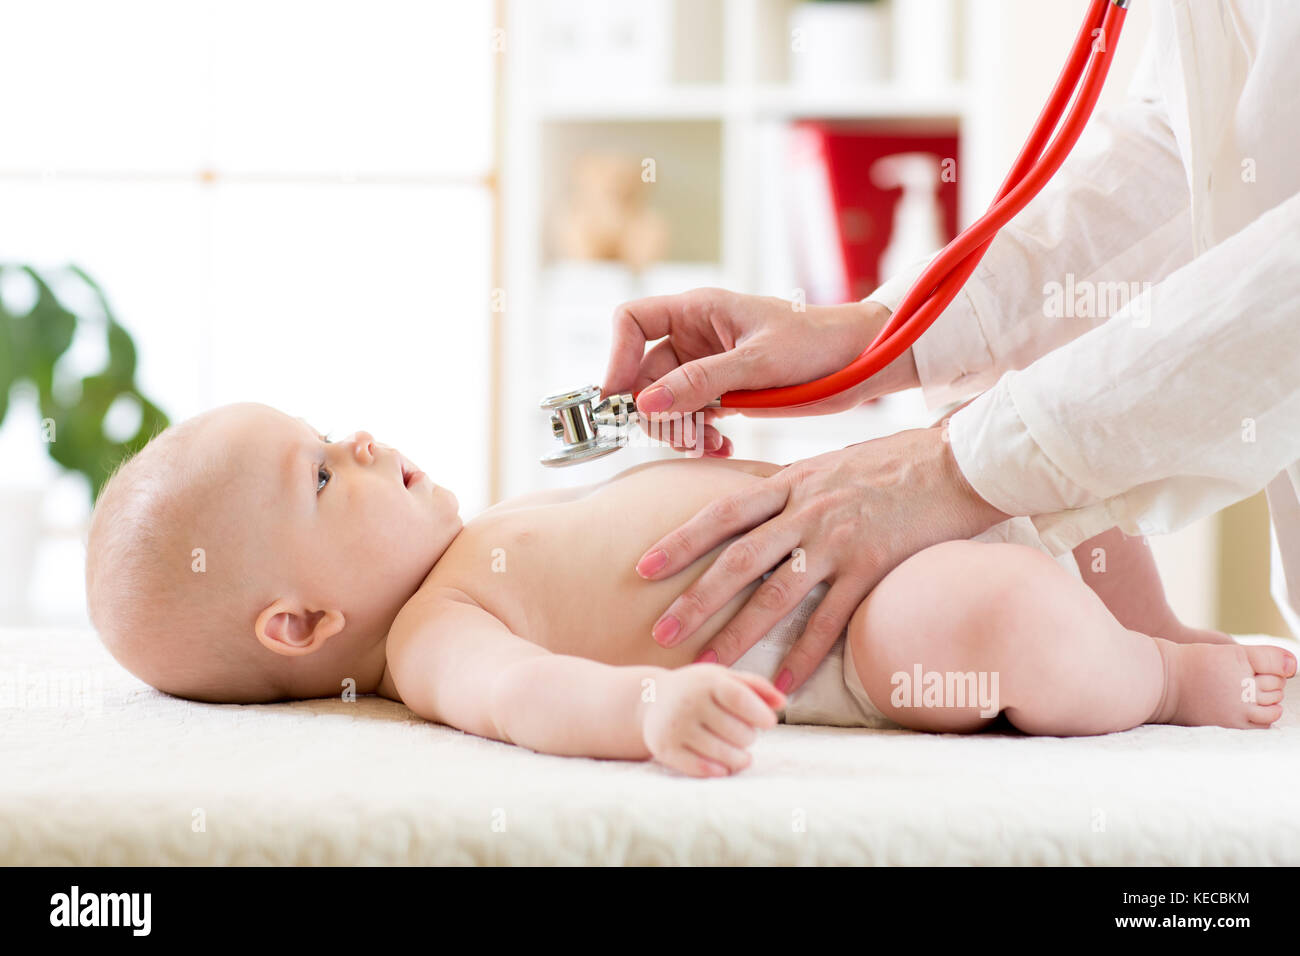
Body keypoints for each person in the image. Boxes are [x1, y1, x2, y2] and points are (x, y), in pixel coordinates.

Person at [604, 0, 1300, 696]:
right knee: (1002, 608)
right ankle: (1159, 661)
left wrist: (954, 470)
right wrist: (871, 335)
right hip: (841, 596)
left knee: (992, 606)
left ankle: (1163, 669)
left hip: (846, 594)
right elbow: (1196, 143)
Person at [83, 404, 1293, 780]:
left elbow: (638, 495)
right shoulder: (433, 636)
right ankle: (1168, 674)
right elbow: (531, 697)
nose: (357, 439)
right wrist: (647, 714)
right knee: (1007, 620)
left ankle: (1159, 623)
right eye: (320, 472)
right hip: (856, 636)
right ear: (298, 625)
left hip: (874, 517)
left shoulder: (483, 525)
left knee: (1054, 461)